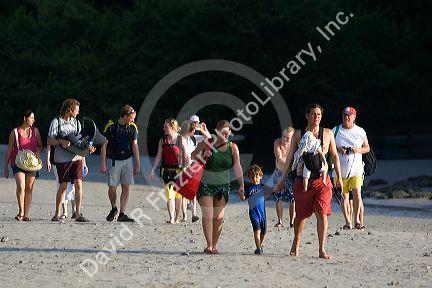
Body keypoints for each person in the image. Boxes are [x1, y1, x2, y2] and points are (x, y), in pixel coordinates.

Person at [275, 104, 343, 259]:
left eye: (319, 114)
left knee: (322, 213)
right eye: (313, 114)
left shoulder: (328, 134)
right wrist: (283, 180)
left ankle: (322, 249)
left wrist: (338, 178)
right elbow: (290, 158)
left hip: (322, 181)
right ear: (307, 115)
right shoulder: (298, 135)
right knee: (301, 216)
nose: (316, 117)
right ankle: (296, 243)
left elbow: (334, 156)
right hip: (302, 180)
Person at [192, 120, 244, 254]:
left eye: (227, 133)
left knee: (218, 217)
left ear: (230, 133)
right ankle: (209, 245)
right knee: (208, 214)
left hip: (223, 186)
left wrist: (242, 185)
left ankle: (214, 245)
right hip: (206, 185)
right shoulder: (207, 142)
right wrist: (202, 155)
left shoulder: (233, 148)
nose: (225, 135)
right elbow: (193, 155)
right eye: (223, 132)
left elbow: (237, 167)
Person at [48, 99, 95, 222]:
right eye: (77, 110)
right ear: (70, 109)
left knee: (79, 184)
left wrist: (88, 148)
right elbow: (48, 141)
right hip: (62, 159)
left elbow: (81, 141)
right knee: (63, 185)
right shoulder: (56, 122)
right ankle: (57, 214)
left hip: (77, 157)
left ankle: (78, 213)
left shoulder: (77, 123)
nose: (78, 113)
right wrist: (60, 141)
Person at [101, 105, 140, 222]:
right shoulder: (112, 127)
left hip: (128, 160)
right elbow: (104, 146)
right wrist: (103, 163)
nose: (133, 120)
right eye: (131, 118)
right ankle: (114, 208)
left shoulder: (132, 127)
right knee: (112, 187)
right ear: (125, 116)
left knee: (126, 187)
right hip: (113, 160)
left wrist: (137, 164)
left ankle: (122, 214)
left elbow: (135, 145)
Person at [333, 107, 369, 230]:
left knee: (357, 194)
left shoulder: (360, 131)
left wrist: (357, 150)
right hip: (339, 170)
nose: (346, 117)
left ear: (354, 117)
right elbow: (327, 147)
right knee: (344, 196)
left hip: (356, 169)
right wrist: (338, 149)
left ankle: (357, 221)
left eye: (349, 115)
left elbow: (367, 148)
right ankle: (348, 222)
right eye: (344, 115)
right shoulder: (335, 130)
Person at [4, 109, 43, 221]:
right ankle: (20, 212)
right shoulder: (15, 132)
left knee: (29, 188)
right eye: (31, 118)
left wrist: (38, 152)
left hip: (32, 164)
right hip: (17, 162)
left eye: (33, 118)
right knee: (21, 186)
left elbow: (41, 146)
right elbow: (9, 150)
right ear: (25, 118)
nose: (33, 120)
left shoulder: (35, 131)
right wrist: (5, 167)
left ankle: (26, 214)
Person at [150, 118, 183, 224]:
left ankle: (177, 217)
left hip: (179, 171)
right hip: (167, 171)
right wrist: (153, 169)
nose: (163, 128)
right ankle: (171, 218)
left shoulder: (180, 139)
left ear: (172, 127)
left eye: (166, 126)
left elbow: (186, 155)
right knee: (170, 195)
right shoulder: (163, 140)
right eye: (164, 126)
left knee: (178, 195)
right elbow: (158, 156)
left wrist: (186, 167)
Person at [179, 119, 211, 222]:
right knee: (183, 193)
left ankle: (194, 214)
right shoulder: (181, 138)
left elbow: (209, 138)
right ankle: (184, 215)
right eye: (192, 130)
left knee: (193, 190)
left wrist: (202, 129)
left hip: (192, 166)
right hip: (182, 167)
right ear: (188, 129)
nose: (194, 132)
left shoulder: (194, 138)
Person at [46, 144, 82, 219]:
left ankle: (75, 211)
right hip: (59, 160)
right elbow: (49, 143)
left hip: (76, 158)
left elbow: (81, 144)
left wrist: (84, 161)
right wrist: (48, 160)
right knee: (63, 185)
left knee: (74, 185)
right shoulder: (55, 132)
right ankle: (64, 211)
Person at [240, 165, 267, 255]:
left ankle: (260, 244)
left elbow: (273, 190)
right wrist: (241, 196)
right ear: (249, 178)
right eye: (252, 177)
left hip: (263, 214)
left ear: (261, 177)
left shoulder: (263, 187)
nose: (254, 179)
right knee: (257, 230)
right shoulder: (248, 188)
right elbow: (244, 199)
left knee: (263, 231)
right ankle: (258, 248)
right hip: (254, 214)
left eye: (256, 176)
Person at [273, 127, 295, 228]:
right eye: (284, 137)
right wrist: (290, 165)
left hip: (290, 172)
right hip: (280, 171)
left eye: (288, 138)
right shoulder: (277, 142)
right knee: (278, 195)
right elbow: (279, 158)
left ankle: (292, 221)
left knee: (292, 197)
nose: (285, 140)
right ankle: (280, 221)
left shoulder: (295, 144)